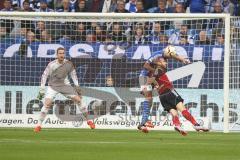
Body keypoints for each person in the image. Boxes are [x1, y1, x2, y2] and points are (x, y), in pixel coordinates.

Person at [138, 45, 209, 135]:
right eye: (169, 56)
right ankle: (195, 124)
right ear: (167, 53)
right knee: (149, 99)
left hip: (154, 83)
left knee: (150, 100)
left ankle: (144, 122)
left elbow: (175, 55)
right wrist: (155, 72)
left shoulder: (164, 56)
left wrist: (183, 59)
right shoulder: (157, 56)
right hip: (145, 77)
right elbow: (145, 65)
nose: (169, 59)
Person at [34, 47, 95, 132]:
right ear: (57, 55)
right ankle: (38, 125)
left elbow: (74, 75)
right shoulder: (51, 64)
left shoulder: (69, 64)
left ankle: (89, 121)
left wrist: (77, 86)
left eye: (63, 53)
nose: (62, 55)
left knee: (79, 100)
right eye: (60, 53)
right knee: (47, 104)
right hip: (53, 86)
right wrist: (42, 88)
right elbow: (44, 76)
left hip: (65, 85)